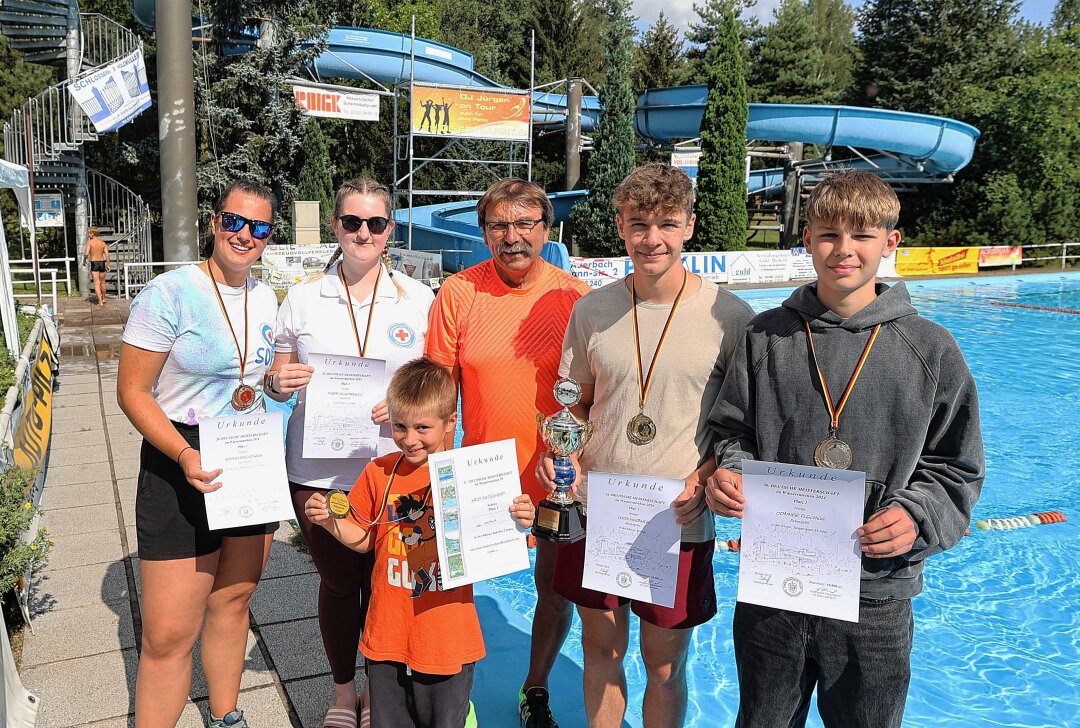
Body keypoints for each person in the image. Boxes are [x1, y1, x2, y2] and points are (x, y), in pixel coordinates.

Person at [706, 169, 985, 728]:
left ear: (891, 242)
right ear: (807, 240)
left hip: (876, 591)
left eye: (861, 235)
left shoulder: (930, 347)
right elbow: (732, 430)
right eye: (829, 234)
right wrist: (729, 473)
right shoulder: (767, 336)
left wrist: (916, 514)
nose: (844, 250)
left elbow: (957, 465)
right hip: (776, 584)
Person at [537, 163, 755, 727]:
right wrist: (564, 456)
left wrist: (706, 475)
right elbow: (574, 404)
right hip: (598, 510)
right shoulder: (592, 310)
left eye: (666, 223)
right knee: (601, 651)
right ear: (619, 227)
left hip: (676, 516)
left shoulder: (729, 317)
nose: (651, 238)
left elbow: (744, 425)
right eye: (638, 224)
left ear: (688, 226)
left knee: (664, 666)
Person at [265, 178, 435, 728]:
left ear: (391, 228)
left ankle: (386, 694)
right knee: (340, 585)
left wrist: (407, 403)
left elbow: (437, 383)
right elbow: (275, 378)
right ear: (336, 226)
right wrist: (278, 383)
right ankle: (345, 690)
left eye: (376, 223)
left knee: (395, 585)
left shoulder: (419, 299)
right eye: (352, 222)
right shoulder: (303, 297)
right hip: (321, 471)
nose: (364, 233)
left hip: (396, 468)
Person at [425, 177, 590, 728]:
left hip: (554, 475)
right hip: (482, 474)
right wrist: (437, 473)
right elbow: (440, 393)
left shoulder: (573, 297)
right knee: (454, 586)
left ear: (547, 229)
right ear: (483, 231)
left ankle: (535, 688)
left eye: (525, 224)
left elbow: (592, 396)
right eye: (499, 225)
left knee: (553, 590)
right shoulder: (459, 293)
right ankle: (450, 690)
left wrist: (577, 465)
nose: (512, 237)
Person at [117, 180, 280, 728]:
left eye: (259, 227)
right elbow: (133, 392)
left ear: (269, 236)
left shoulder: (266, 295)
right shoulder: (169, 293)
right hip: (180, 458)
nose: (244, 235)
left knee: (234, 603)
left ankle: (226, 714)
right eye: (235, 221)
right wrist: (183, 457)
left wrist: (278, 387)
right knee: (167, 635)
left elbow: (252, 381)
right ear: (214, 222)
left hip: (246, 456)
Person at [304, 357, 536, 728]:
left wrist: (520, 519)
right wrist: (333, 523)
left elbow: (505, 539)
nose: (409, 439)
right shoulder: (379, 472)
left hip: (445, 638)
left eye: (422, 427)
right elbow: (364, 540)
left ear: (450, 422)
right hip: (387, 633)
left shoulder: (473, 477)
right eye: (400, 426)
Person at [83, 225, 110, 306]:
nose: (88, 235)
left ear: (92, 233)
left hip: (94, 263)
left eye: (89, 233)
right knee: (103, 282)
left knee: (96, 283)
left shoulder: (90, 242)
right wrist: (108, 264)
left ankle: (100, 301)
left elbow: (86, 253)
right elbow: (107, 255)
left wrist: (84, 260)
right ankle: (104, 298)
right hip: (102, 262)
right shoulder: (102, 243)